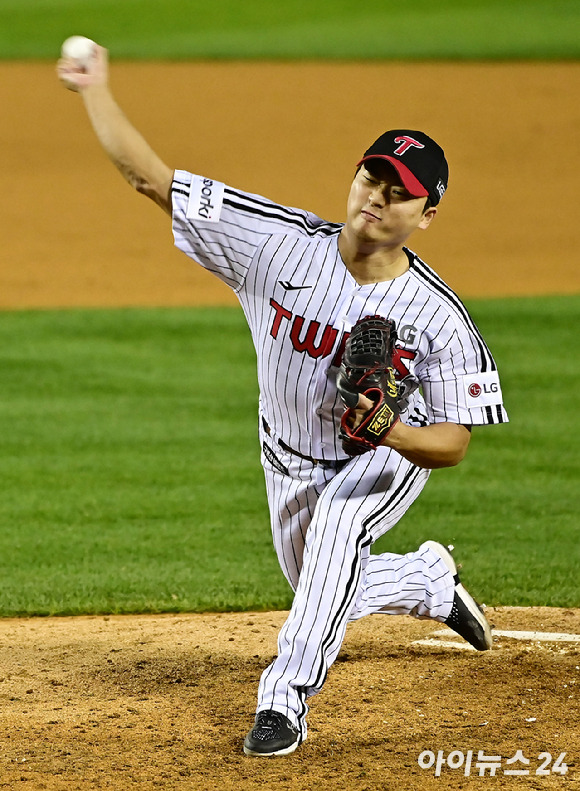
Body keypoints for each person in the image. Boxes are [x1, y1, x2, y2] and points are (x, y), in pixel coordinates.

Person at [57, 46, 508, 758]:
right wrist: (94, 88)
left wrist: (388, 428)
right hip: (286, 454)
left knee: (336, 530)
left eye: (400, 192)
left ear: (428, 213)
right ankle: (426, 578)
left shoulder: (438, 316)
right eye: (373, 176)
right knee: (320, 584)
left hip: (382, 458)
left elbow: (453, 442)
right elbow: (150, 178)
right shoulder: (274, 245)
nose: (377, 197)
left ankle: (284, 699)